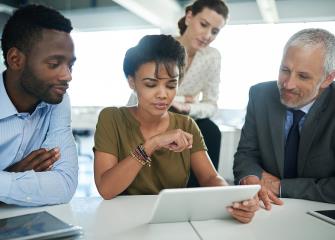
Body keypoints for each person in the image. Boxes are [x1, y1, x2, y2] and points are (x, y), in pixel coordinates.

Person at [94, 34, 258, 223]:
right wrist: (153, 144)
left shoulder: (186, 125)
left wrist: (235, 201)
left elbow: (210, 178)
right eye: (151, 84)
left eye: (172, 85)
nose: (163, 94)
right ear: (132, 82)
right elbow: (106, 189)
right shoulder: (112, 118)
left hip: (171, 223)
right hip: (121, 222)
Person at [129, 0, 229, 187]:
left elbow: (211, 104)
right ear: (190, 17)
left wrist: (187, 106)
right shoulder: (163, 47)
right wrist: (183, 97)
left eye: (215, 31)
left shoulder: (212, 57)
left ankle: (199, 194)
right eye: (204, 24)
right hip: (150, 112)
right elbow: (143, 91)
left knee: (211, 131)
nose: (207, 35)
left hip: (186, 117)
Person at [233, 28, 335, 209]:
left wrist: (281, 187)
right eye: (284, 70)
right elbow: (246, 154)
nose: (288, 84)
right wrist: (251, 179)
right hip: (265, 207)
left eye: (303, 76)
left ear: (328, 79)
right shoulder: (260, 95)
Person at [0, 4, 78, 206]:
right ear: (16, 59)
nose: (67, 76)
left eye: (70, 65)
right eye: (54, 64)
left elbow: (64, 185)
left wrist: (5, 180)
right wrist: (13, 176)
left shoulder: (57, 100)